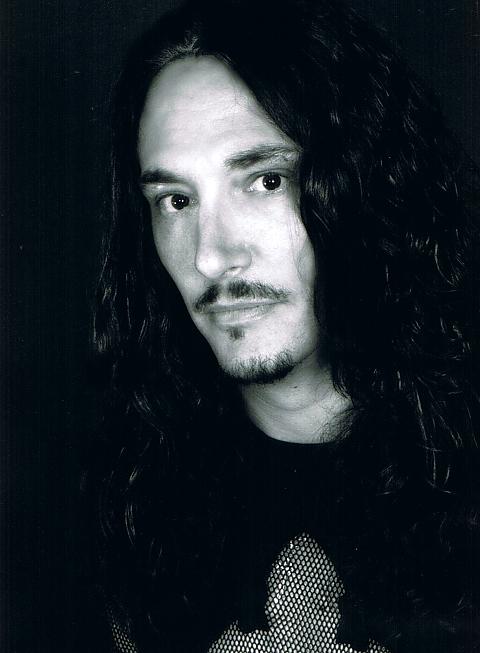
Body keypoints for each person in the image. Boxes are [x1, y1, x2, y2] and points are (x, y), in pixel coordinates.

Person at [91, 0, 480, 651]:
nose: (210, 255)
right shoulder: (136, 493)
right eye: (176, 200)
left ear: (363, 184)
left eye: (266, 181)